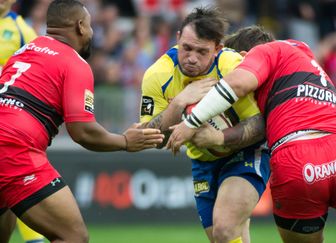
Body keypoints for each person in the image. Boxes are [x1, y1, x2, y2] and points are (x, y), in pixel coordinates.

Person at [167, 26, 336, 243]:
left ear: (245, 56)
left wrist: (192, 120)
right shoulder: (303, 57)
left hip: (299, 157)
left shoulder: (265, 51)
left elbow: (237, 84)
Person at [0, 1, 164, 243]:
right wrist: (126, 141)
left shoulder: (26, 49)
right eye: (90, 26)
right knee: (73, 236)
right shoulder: (74, 62)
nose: (92, 33)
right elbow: (83, 131)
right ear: (80, 26)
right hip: (14, 148)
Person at [140, 7, 269, 243]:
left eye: (202, 52)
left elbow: (261, 124)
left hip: (246, 152)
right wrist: (178, 103)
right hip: (203, 162)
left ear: (218, 49)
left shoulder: (232, 65)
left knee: (225, 228)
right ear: (178, 37)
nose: (191, 58)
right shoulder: (157, 75)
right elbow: (150, 138)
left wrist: (218, 138)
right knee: (224, 238)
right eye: (187, 48)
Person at [0, 1, 47, 242]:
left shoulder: (22, 30)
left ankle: (34, 238)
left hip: (7, 118)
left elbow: (38, 68)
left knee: (16, 177)